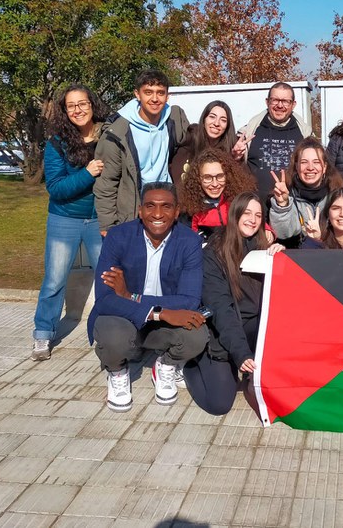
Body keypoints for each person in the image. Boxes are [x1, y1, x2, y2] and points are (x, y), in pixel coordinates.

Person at [88, 182, 208, 412]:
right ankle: (117, 371)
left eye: (166, 206)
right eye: (150, 206)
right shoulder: (117, 237)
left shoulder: (190, 241)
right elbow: (105, 298)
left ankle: (165, 365)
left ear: (176, 211)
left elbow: (190, 300)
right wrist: (159, 312)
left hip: (159, 322)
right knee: (112, 336)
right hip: (123, 318)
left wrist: (128, 295)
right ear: (140, 211)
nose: (158, 214)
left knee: (196, 335)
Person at [184, 192, 285, 416]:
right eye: (247, 213)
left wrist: (282, 257)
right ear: (235, 214)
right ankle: (191, 364)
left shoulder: (263, 246)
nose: (253, 220)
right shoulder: (214, 252)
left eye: (258, 215)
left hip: (253, 329)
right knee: (219, 404)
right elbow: (222, 309)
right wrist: (241, 354)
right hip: (223, 330)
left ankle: (249, 367)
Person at [31, 84, 109, 361]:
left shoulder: (108, 136)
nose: (78, 110)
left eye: (82, 103)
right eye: (71, 105)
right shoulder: (57, 143)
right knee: (54, 279)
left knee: (109, 277)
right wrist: (88, 173)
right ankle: (43, 332)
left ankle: (111, 330)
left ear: (92, 104)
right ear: (64, 111)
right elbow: (56, 188)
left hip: (101, 218)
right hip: (64, 219)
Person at [94, 69, 189, 235]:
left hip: (167, 205)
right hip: (134, 210)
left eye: (160, 93)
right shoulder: (117, 132)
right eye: (148, 92)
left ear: (167, 96)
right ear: (137, 94)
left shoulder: (175, 119)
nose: (155, 98)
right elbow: (107, 183)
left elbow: (194, 145)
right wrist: (107, 225)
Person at [231, 82, 313, 203]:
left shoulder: (305, 135)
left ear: (293, 104)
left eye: (285, 101)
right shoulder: (248, 132)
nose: (280, 105)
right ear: (267, 102)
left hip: (293, 206)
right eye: (275, 100)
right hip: (256, 207)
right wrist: (235, 157)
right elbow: (233, 171)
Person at [268, 137, 343, 246]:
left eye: (316, 162)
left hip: (329, 252)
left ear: (324, 167)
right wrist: (282, 205)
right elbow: (283, 233)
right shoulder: (287, 194)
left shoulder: (337, 195)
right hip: (297, 254)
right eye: (304, 162)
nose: (310, 168)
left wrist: (321, 239)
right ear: (296, 166)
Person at [177, 148, 257, 243]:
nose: (215, 184)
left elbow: (255, 220)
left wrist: (267, 230)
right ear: (198, 179)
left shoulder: (238, 202)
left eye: (220, 176)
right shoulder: (189, 210)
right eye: (207, 178)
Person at [170, 100, 238, 187]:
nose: (216, 123)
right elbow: (179, 184)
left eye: (223, 120)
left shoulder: (232, 150)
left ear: (227, 126)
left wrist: (236, 159)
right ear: (204, 119)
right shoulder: (189, 144)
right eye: (212, 117)